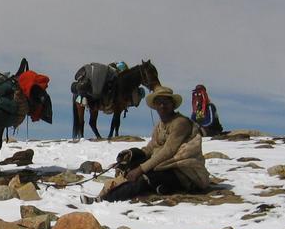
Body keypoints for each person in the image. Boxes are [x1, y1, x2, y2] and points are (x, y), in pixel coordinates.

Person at [82, 85, 210, 203]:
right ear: (155, 106)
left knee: (143, 178)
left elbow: (168, 151)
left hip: (182, 172)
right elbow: (151, 148)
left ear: (173, 104)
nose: (162, 106)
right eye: (159, 102)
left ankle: (105, 200)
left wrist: (140, 169)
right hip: (165, 167)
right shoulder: (160, 126)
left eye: (166, 102)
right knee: (130, 167)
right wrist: (132, 154)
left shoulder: (180, 123)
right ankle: (158, 187)